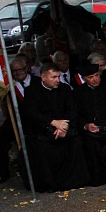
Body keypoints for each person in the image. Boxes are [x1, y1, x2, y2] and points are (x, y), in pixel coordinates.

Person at [19, 62, 89, 192]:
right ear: (43, 77)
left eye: (58, 76)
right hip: (43, 129)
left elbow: (72, 109)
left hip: (64, 128)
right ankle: (50, 183)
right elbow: (32, 114)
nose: (58, 80)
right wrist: (52, 122)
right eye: (54, 77)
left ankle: (74, 180)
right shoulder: (31, 91)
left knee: (76, 142)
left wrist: (63, 126)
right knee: (42, 148)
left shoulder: (65, 89)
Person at [73, 63, 106, 189]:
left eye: (96, 75)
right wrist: (86, 125)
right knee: (91, 145)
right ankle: (100, 177)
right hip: (91, 129)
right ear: (84, 78)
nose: (95, 79)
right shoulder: (78, 93)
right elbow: (76, 114)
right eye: (91, 77)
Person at [0, 55, 34, 184]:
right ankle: (3, 173)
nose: (18, 73)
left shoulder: (38, 81)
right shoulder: (8, 87)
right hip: (16, 120)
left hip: (36, 120)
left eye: (20, 69)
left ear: (26, 68)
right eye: (14, 71)